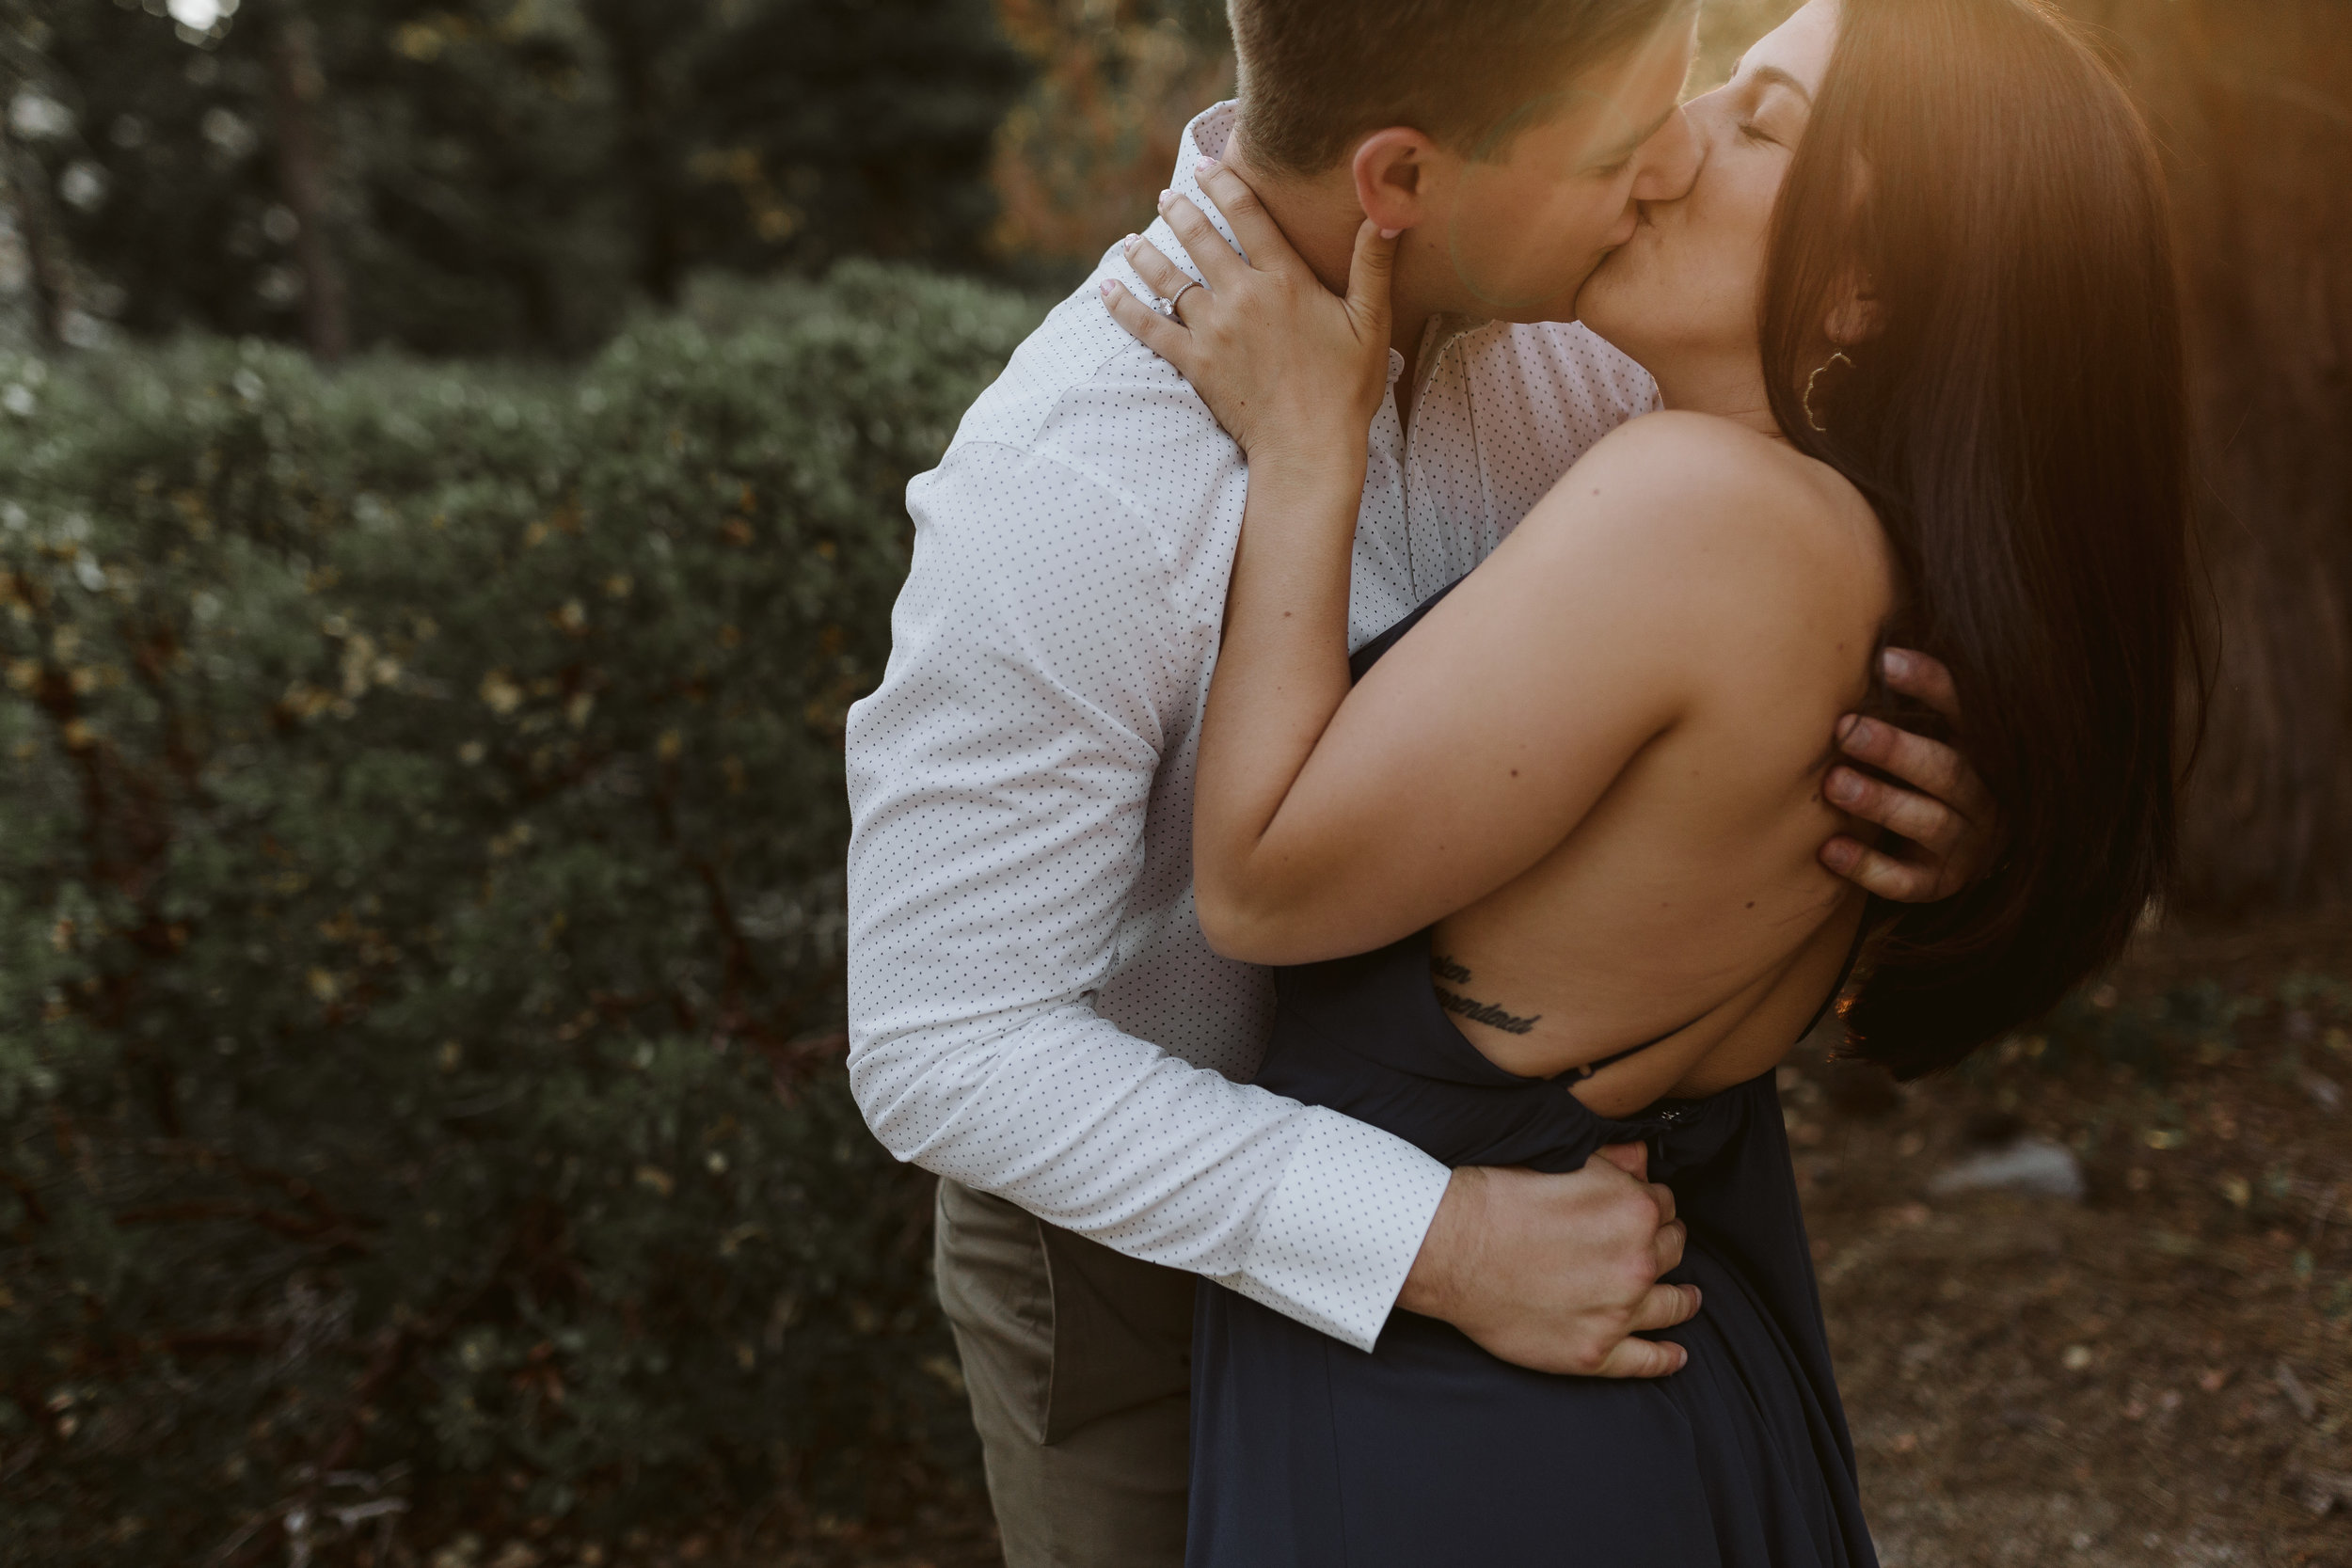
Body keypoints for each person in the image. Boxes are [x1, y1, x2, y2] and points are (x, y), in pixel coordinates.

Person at [844, 0, 1998, 1560]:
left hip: (1574, 1196)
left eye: (1698, 95)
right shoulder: (1069, 495)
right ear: (1401, 179)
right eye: (1617, 142)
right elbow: (945, 1046)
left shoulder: (1600, 338)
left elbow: (1799, 553)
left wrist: (1932, 799)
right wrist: (1430, 1239)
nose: (1670, 166)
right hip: (1132, 1229)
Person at [1098, 0, 2191, 1560]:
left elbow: (1263, 886)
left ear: (1874, 287)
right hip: (1647, 1370)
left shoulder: (1698, 509)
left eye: (1757, 126)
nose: (1669, 145)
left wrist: (1304, 449)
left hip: (1474, 1429)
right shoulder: (1878, 565)